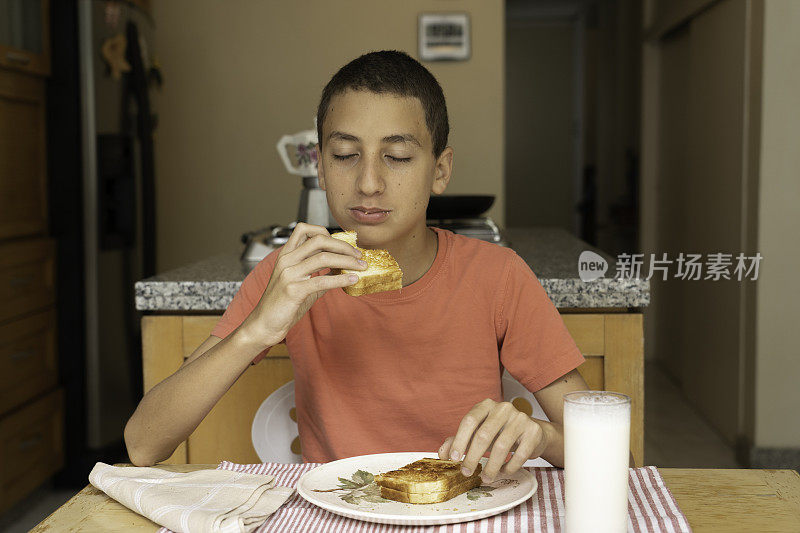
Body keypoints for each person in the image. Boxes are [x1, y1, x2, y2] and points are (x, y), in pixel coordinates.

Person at [125, 50, 589, 482]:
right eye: (345, 156)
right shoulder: (290, 275)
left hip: (466, 511)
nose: (368, 183)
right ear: (321, 169)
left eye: (398, 157)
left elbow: (616, 461)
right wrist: (256, 330)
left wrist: (544, 437)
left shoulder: (498, 275)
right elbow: (143, 445)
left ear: (441, 170)